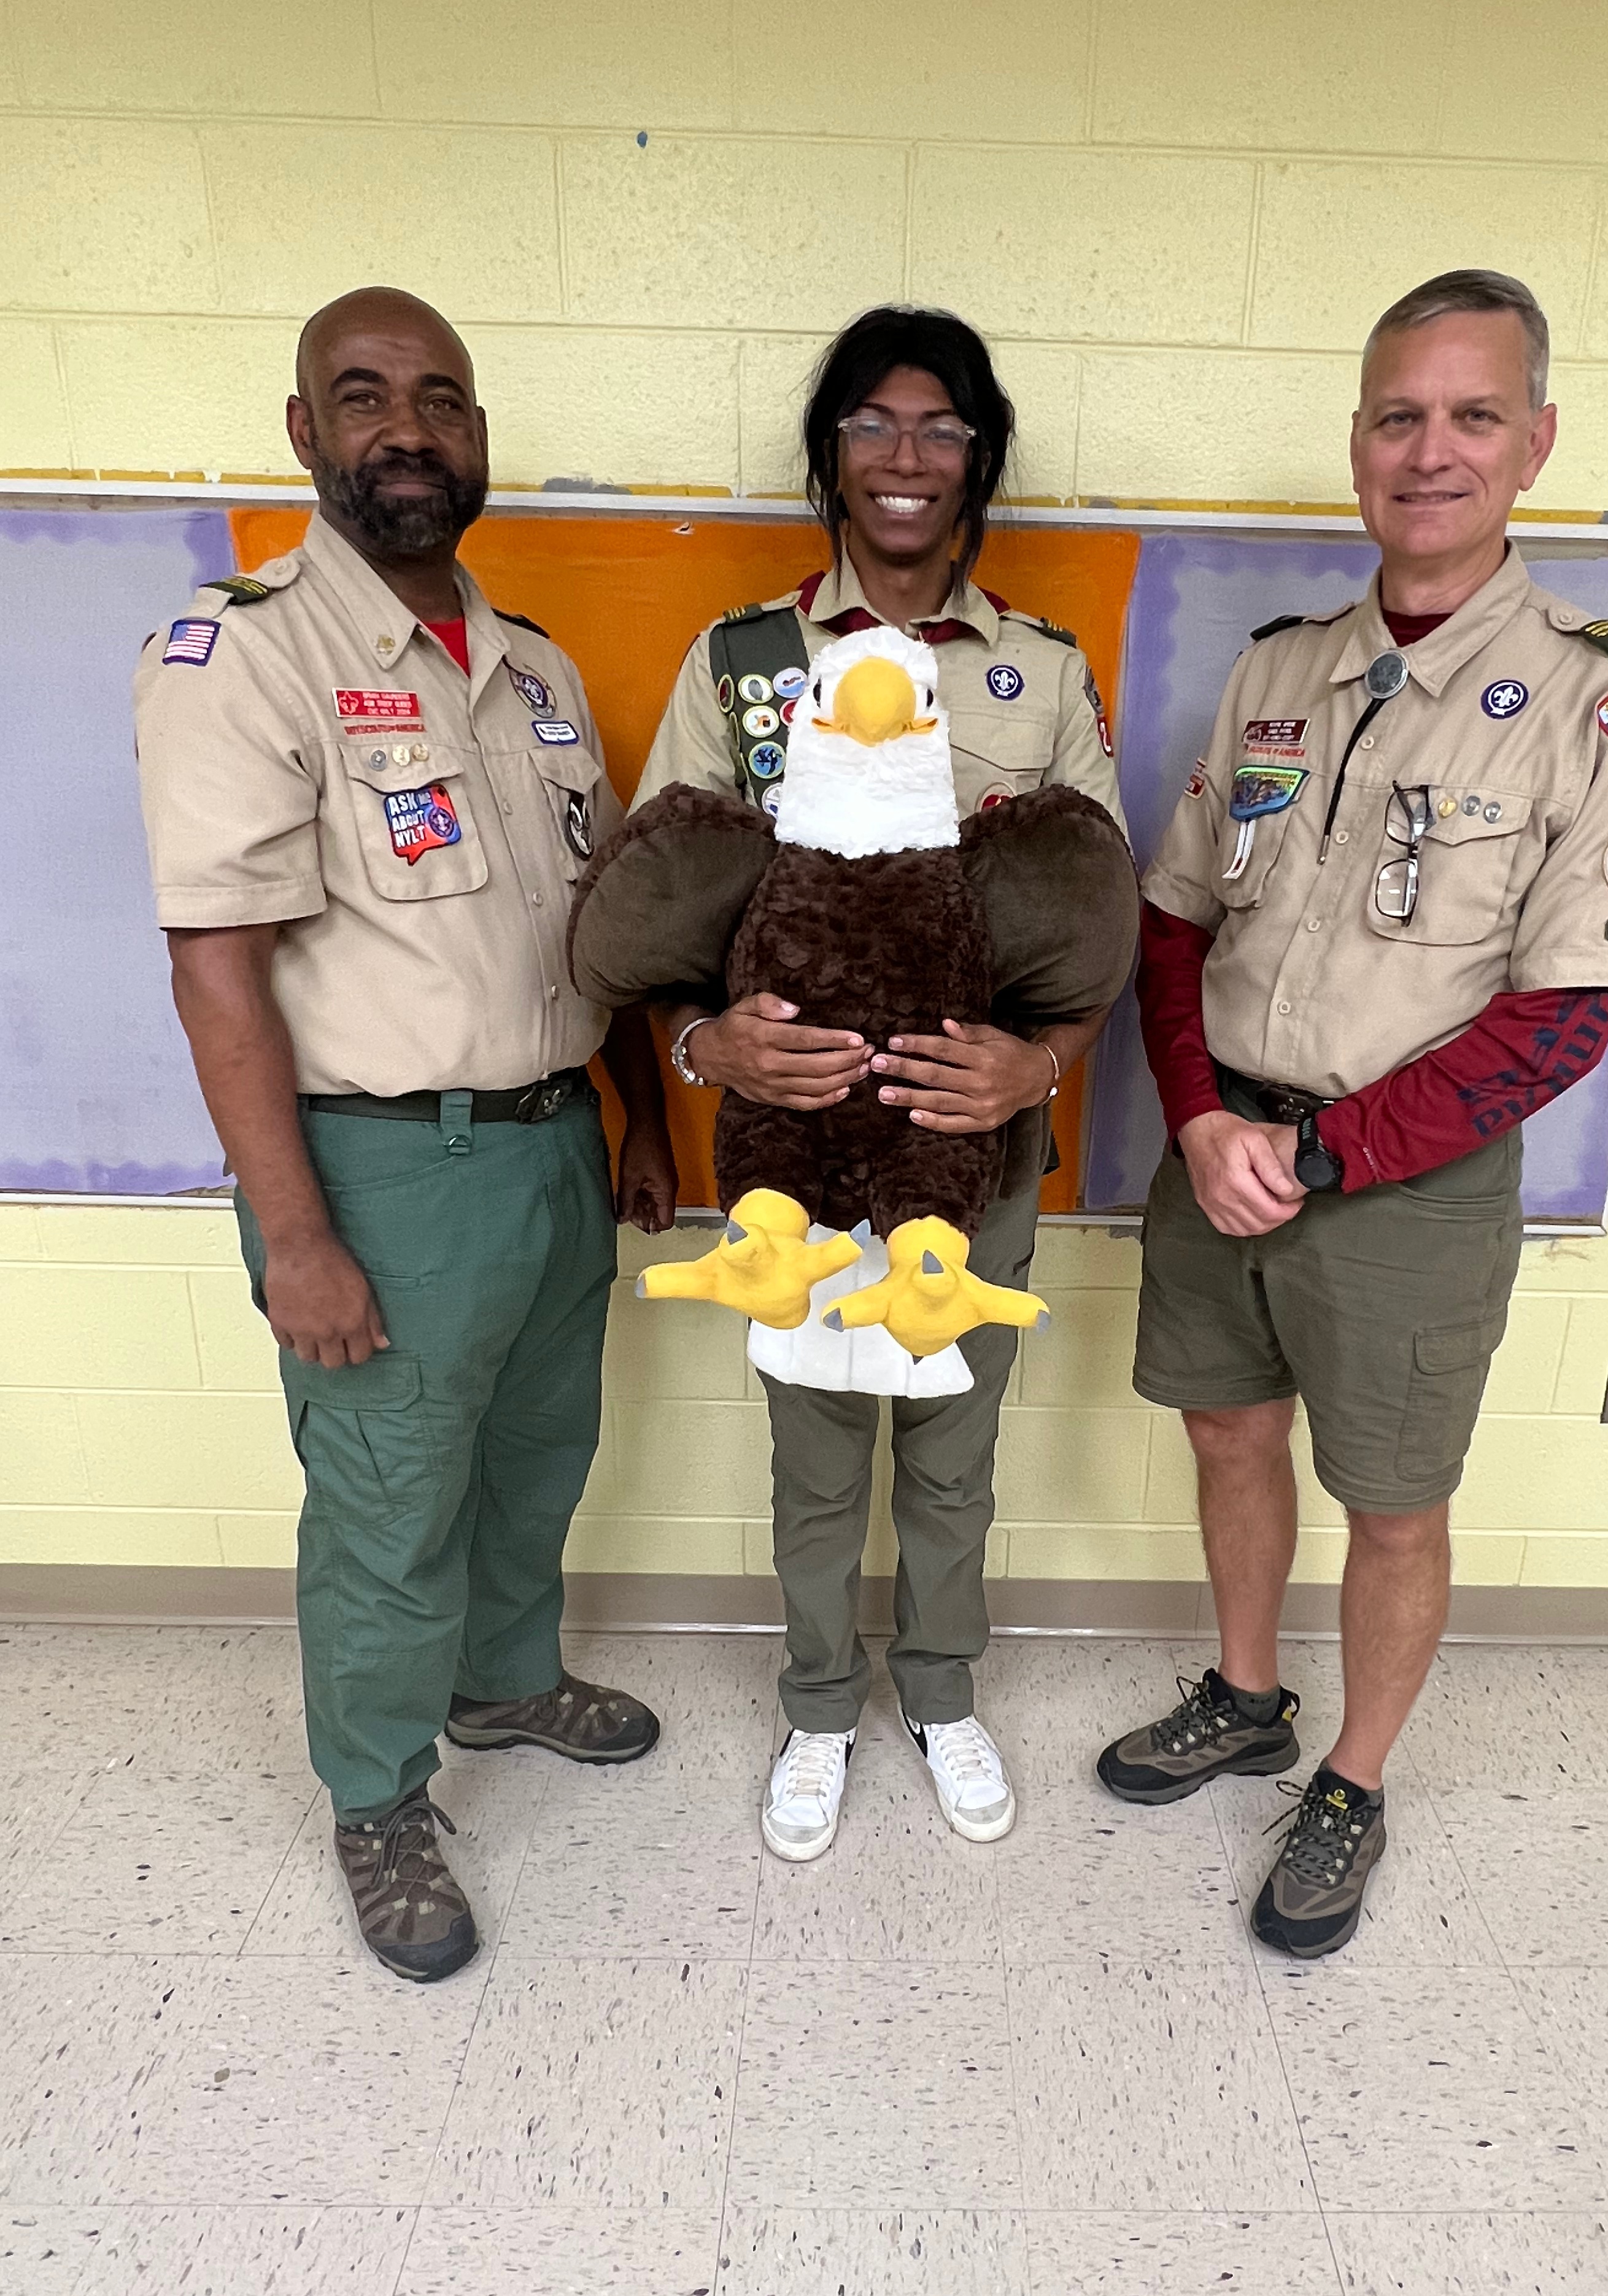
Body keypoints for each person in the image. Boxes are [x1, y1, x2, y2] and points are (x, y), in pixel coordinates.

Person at [1097, 270, 1608, 1957]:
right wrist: (1202, 1121)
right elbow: (1175, 920)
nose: (1431, 451)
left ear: (1535, 443)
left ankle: (1352, 1780)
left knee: (1395, 1502)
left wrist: (1322, 1153)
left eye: (1473, 416)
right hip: (1222, 1151)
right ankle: (1245, 1696)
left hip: (1402, 1193)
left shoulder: (1605, 701)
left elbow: (1568, 1012)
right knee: (1229, 1435)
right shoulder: (1281, 673)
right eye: (1398, 417)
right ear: (1358, 442)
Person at [133, 287, 678, 1982]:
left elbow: (606, 926)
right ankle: (377, 1796)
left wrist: (639, 1118)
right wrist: (298, 1236)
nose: (408, 430)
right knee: (387, 1506)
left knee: (534, 1457)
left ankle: (504, 1683)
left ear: (478, 435)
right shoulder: (246, 656)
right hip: (378, 1170)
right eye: (364, 397)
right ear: (307, 431)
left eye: (441, 399)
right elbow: (216, 970)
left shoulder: (536, 672)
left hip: (551, 1146)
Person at [635, 304, 1126, 1861]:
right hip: (795, 1166)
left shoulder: (1039, 673)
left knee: (955, 1460)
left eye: (941, 426)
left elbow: (1096, 923)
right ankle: (818, 1705)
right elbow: (657, 902)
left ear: (978, 459)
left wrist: (1038, 1067)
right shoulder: (743, 664)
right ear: (831, 452)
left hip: (970, 1159)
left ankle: (942, 1690)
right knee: (815, 1465)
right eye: (872, 422)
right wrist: (703, 1047)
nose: (905, 455)